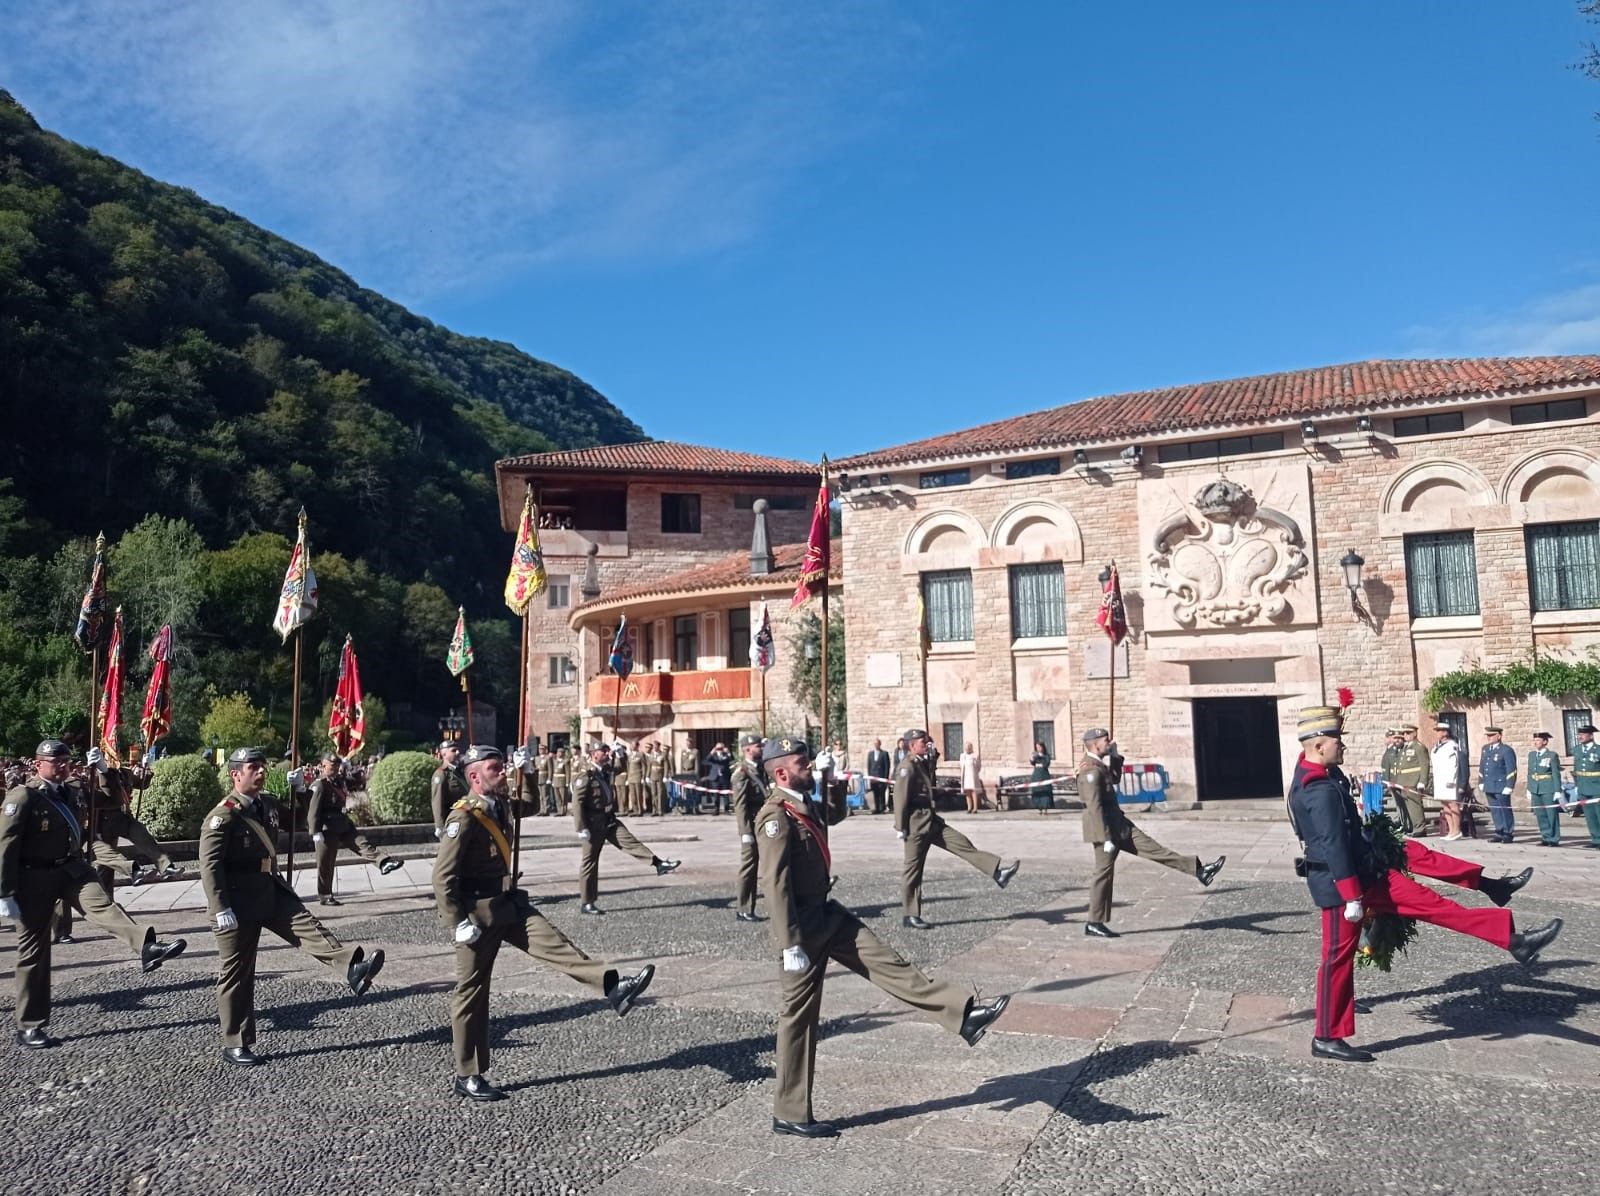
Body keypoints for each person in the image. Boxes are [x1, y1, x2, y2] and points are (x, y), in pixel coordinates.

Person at [756, 735, 1010, 1137]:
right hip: (801, 929)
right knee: (798, 1019)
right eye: (804, 763)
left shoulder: (802, 801)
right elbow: (774, 884)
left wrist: (830, 779)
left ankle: (962, 1015)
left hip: (827, 915)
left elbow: (835, 815)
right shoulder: (775, 817)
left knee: (887, 962)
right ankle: (789, 1112)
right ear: (782, 772)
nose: (809, 766)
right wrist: (789, 945)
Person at [1286, 704, 1562, 1063]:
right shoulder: (1316, 789)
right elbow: (1333, 845)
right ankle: (1326, 1036)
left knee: (1435, 906)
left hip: (1369, 873)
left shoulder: (1322, 772)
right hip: (1343, 887)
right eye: (1337, 740)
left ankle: (1514, 940)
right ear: (1320, 745)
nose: (1343, 746)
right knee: (1336, 960)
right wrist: (1352, 896)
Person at [435, 745, 656, 1101]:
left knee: (557, 945)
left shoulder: (501, 803)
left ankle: (613, 986)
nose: (502, 772)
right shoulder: (464, 817)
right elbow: (442, 877)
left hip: (509, 903)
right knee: (471, 993)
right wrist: (457, 921)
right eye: (495, 768)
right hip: (477, 914)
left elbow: (531, 804)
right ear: (475, 777)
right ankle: (468, 1073)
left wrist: (530, 772)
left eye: (503, 767)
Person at [199, 746, 386, 1066]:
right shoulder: (223, 815)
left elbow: (298, 821)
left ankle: (352, 968)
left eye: (263, 766)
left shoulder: (267, 804)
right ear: (235, 774)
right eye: (253, 767)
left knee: (308, 925)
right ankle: (235, 1041)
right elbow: (210, 865)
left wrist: (301, 792)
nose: (261, 772)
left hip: (269, 889)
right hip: (236, 899)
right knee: (237, 973)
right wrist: (220, 907)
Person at [1, 740, 186, 1049]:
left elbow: (115, 799)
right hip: (33, 878)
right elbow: (5, 845)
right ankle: (30, 1024)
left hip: (71, 869)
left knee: (103, 906)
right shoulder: (23, 797)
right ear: (38, 765)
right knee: (34, 952)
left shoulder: (73, 789)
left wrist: (102, 770)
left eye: (66, 760)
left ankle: (146, 946)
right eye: (54, 760)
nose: (62, 765)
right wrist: (5, 892)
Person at [1079, 728, 1224, 938]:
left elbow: (1115, 779)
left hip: (1120, 825)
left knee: (1155, 849)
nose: (1109, 742)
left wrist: (1115, 757)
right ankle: (1094, 922)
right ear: (1094, 744)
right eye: (1106, 740)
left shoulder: (1099, 765)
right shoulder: (1090, 770)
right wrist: (1106, 837)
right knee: (1103, 875)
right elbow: (1094, 807)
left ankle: (1199, 870)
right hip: (1105, 830)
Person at [894, 730, 1019, 929]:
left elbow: (930, 777)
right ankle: (910, 915)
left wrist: (932, 757)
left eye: (926, 741)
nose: (926, 744)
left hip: (931, 821)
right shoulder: (906, 767)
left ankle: (997, 873)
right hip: (915, 825)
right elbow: (900, 798)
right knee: (913, 871)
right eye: (922, 741)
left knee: (961, 842)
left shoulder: (919, 762)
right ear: (911, 745)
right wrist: (900, 827)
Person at [572, 743, 680, 915]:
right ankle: (587, 902)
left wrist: (621, 755)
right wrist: (581, 827)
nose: (607, 753)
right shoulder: (586, 775)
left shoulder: (603, 770)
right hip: (593, 823)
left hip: (608, 819)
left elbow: (619, 768)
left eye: (608, 751)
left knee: (630, 842)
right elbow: (577, 803)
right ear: (594, 755)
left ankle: (658, 863)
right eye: (604, 751)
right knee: (589, 862)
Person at [307, 753, 402, 905]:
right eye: (333, 766)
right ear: (323, 766)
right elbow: (313, 810)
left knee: (362, 843)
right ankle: (325, 895)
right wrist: (315, 832)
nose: (336, 769)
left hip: (343, 823)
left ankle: (383, 862)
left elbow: (356, 783)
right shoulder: (319, 785)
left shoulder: (338, 781)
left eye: (338, 766)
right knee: (326, 862)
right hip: (327, 828)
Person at [85, 750, 180, 888]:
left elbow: (141, 784)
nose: (115, 757)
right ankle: (107, 900)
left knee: (143, 836)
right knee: (105, 865)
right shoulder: (91, 774)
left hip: (123, 817)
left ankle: (166, 867)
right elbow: (94, 798)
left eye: (117, 754)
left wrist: (146, 768)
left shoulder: (124, 773)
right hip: (103, 822)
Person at [732, 733, 767, 922]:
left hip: (763, 824)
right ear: (747, 749)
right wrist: (745, 832)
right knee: (749, 867)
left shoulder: (759, 768)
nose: (761, 748)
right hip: (752, 826)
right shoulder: (742, 773)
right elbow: (740, 805)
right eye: (758, 746)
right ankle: (744, 908)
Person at [1479, 726, 1518, 844]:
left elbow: (1512, 769)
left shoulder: (1506, 750)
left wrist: (1510, 785)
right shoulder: (1485, 749)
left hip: (1501, 785)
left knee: (1504, 809)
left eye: (1491, 735)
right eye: (1488, 736)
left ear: (1499, 736)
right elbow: (1482, 766)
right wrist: (1481, 781)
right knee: (1495, 810)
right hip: (1489, 784)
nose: (1489, 738)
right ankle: (1499, 831)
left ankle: (1508, 832)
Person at [1390, 724, 1431, 835]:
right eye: (1404, 733)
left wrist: (1423, 781)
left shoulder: (1419, 747)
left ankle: (1420, 828)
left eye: (1408, 733)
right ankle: (1413, 827)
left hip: (1414, 781)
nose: (1405, 735)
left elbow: (1424, 764)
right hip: (1404, 781)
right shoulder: (1406, 747)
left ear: (1415, 733)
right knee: (1409, 807)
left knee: (1415, 806)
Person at [1527, 731, 1562, 847]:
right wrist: (1529, 788)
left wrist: (1557, 790)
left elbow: (1556, 773)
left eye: (1538, 740)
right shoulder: (1532, 755)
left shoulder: (1552, 755)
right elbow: (1530, 772)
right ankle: (1545, 836)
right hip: (1536, 788)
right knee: (1540, 814)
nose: (1535, 742)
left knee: (1551, 813)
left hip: (1548, 787)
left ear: (1545, 742)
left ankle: (1554, 838)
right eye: (1535, 740)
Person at [1432, 723, 1464, 839]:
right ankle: (1451, 830)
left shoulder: (1452, 745)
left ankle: (1457, 830)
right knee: (1445, 805)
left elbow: (1453, 765)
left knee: (1452, 804)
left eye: (1440, 730)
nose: (1438, 733)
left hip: (1449, 780)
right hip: (1440, 780)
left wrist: (1451, 780)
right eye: (1437, 730)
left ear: (1446, 732)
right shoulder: (1436, 747)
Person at [431, 741, 468, 839]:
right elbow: (437, 802)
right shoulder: (441, 774)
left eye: (458, 750)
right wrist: (440, 827)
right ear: (444, 754)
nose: (458, 752)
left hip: (465, 819)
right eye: (453, 750)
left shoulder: (459, 772)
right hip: (452, 822)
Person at [1575, 723, 1600, 848]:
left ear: (1591, 735)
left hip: (1597, 787)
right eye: (1579, 734)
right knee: (1590, 816)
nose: (1580, 737)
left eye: (1583, 734)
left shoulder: (1598, 750)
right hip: (1583, 787)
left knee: (1599, 814)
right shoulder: (1577, 749)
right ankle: (1595, 839)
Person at [705, 742, 734, 815]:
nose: (720, 750)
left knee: (726, 794)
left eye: (721, 748)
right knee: (715, 794)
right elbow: (707, 759)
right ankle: (716, 809)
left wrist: (728, 752)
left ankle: (726, 809)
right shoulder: (713, 756)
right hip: (715, 777)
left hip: (724, 777)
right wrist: (712, 752)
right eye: (718, 748)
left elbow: (732, 760)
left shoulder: (726, 755)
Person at [866, 738, 891, 815]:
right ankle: (876, 808)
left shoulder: (884, 753)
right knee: (875, 793)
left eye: (877, 743)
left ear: (880, 744)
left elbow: (887, 766)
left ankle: (882, 808)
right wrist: (870, 776)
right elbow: (869, 766)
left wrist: (886, 777)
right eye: (875, 744)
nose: (876, 745)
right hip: (873, 777)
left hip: (881, 776)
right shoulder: (870, 754)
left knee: (881, 793)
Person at [677, 740, 701, 815]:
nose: (688, 744)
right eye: (687, 743)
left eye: (689, 743)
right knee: (686, 792)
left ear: (691, 744)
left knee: (693, 791)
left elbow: (697, 764)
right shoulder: (683, 751)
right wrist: (681, 775)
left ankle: (695, 807)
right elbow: (681, 763)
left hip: (692, 772)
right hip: (684, 773)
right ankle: (687, 808)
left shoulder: (695, 752)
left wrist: (696, 776)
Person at [1029, 742, 1053, 813]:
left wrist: (1040, 763)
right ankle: (1039, 807)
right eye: (1037, 747)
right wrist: (1032, 758)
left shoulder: (1046, 755)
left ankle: (1045, 807)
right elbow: (1033, 762)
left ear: (1043, 747)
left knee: (1045, 791)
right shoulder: (1035, 755)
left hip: (1044, 775)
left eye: (1039, 747)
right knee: (1037, 791)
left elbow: (1046, 764)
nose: (1038, 748)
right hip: (1036, 775)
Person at [646, 741, 667, 816]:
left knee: (660, 793)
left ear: (658, 746)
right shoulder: (651, 755)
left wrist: (665, 776)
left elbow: (666, 766)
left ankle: (660, 810)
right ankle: (654, 810)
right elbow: (649, 766)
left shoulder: (663, 754)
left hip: (660, 775)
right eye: (654, 746)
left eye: (656, 746)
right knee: (653, 793)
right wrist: (647, 776)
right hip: (652, 775)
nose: (654, 748)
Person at [959, 742, 982, 813]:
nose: (967, 748)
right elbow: (961, 765)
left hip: (973, 775)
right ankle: (969, 807)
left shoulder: (975, 756)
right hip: (965, 776)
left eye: (969, 747)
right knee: (967, 792)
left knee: (974, 791)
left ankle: (975, 808)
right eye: (966, 747)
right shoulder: (962, 756)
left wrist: (975, 772)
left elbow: (979, 766)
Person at [550, 746, 571, 818]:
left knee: (563, 797)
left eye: (561, 752)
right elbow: (552, 771)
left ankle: (563, 811)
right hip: (555, 780)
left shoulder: (566, 761)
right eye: (558, 752)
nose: (559, 754)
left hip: (562, 780)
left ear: (563, 753)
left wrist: (568, 782)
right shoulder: (554, 761)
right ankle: (559, 810)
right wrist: (552, 780)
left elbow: (568, 772)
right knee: (557, 797)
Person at [534, 746, 553, 816]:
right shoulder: (537, 758)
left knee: (545, 795)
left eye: (542, 749)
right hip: (538, 778)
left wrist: (549, 778)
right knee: (540, 796)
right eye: (539, 749)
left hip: (545, 778)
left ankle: (546, 810)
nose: (540, 750)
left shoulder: (547, 758)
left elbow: (550, 769)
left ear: (545, 750)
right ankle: (541, 810)